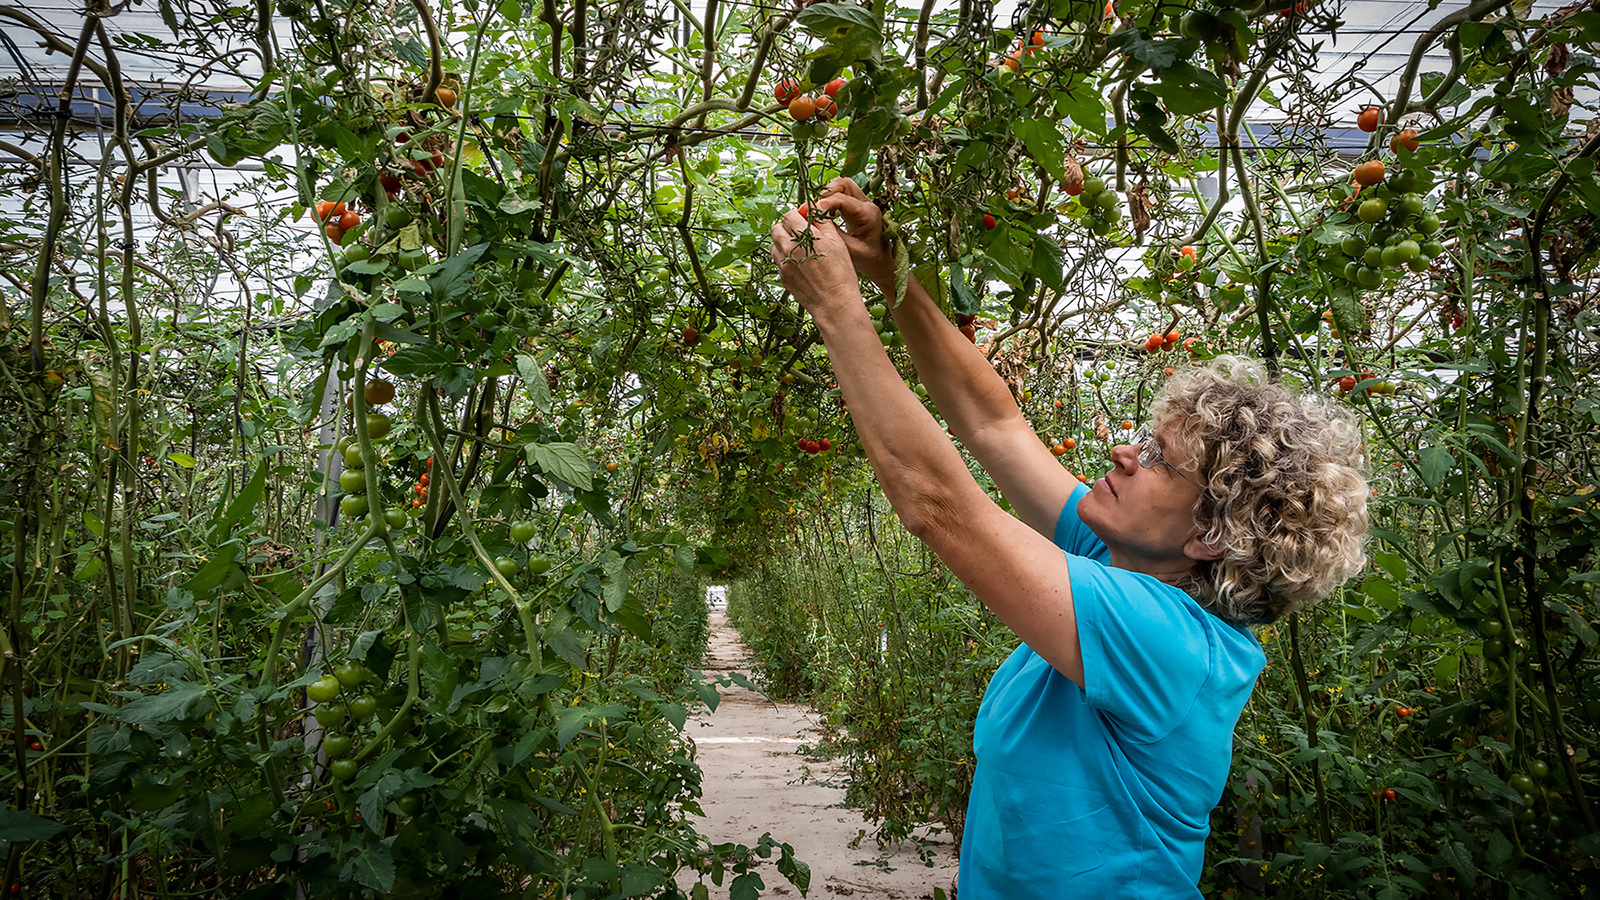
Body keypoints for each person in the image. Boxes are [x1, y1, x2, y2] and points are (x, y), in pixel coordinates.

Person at [768, 178, 1370, 898]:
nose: (1123, 457)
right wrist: (889, 270)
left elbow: (939, 506)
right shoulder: (1125, 566)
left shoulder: (1167, 640)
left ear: (1211, 534)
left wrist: (836, 307)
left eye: (1157, 461)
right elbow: (995, 424)